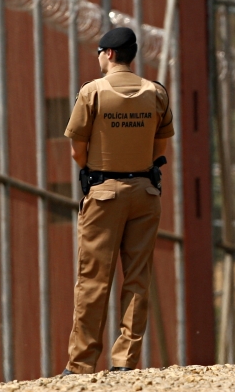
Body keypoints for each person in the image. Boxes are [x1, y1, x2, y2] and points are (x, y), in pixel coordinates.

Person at [61, 26, 172, 374]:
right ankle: (125, 361)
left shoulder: (92, 92)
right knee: (138, 278)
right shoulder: (156, 93)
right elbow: (161, 147)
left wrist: (98, 170)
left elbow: (77, 150)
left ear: (108, 53)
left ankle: (81, 364)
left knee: (94, 279)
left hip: (104, 193)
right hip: (145, 192)